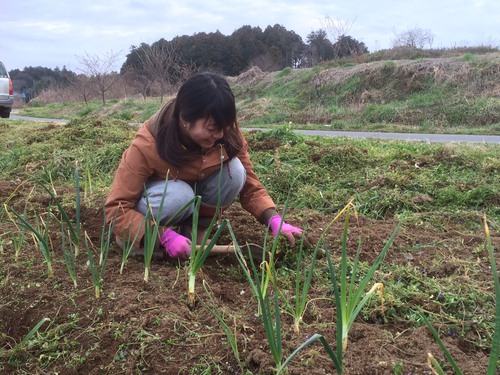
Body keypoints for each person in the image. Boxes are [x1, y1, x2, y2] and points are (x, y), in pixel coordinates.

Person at [105, 72, 305, 260]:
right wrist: (162, 237)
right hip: (160, 204)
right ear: (185, 119)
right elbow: (116, 209)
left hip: (194, 198)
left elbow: (250, 185)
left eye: (225, 127)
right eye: (212, 128)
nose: (219, 134)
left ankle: (197, 230)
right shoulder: (148, 144)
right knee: (181, 197)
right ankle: (140, 238)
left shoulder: (226, 133)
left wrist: (274, 220)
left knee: (235, 171)